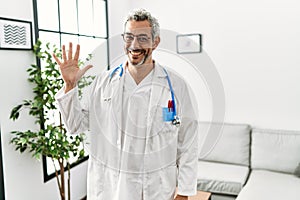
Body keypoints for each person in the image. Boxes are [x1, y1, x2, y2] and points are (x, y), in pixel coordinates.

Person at [54, 8, 198, 200]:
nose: (134, 45)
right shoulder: (102, 83)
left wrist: (184, 192)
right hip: (111, 189)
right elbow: (75, 126)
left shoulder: (175, 85)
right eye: (129, 37)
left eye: (142, 38)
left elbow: (188, 142)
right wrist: (70, 85)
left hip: (156, 190)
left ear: (155, 42)